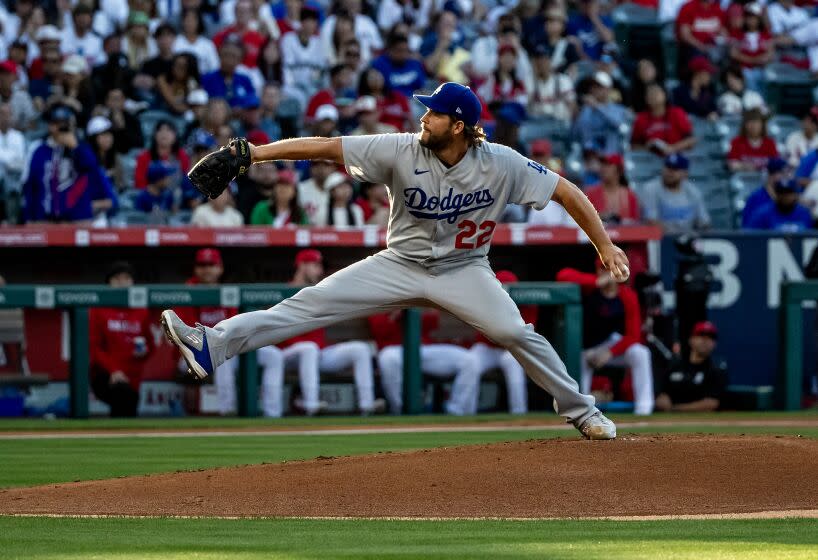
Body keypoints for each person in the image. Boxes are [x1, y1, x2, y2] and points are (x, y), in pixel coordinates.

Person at [162, 81, 630, 439]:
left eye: (435, 113)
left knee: (515, 333)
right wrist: (255, 156)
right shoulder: (401, 148)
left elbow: (566, 192)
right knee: (307, 304)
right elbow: (327, 147)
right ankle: (213, 345)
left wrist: (603, 244)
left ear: (460, 125)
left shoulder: (501, 162)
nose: (424, 117)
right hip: (400, 263)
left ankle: (583, 411)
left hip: (463, 269)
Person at [260, 249, 381, 415]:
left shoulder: (320, 293)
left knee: (360, 349)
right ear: (302, 265)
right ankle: (311, 404)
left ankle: (367, 405)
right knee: (308, 348)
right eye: (315, 265)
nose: (320, 271)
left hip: (318, 353)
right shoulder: (283, 292)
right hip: (289, 354)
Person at [557, 261, 654, 416]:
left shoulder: (627, 295)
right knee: (580, 364)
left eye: (611, 268)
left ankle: (644, 409)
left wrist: (610, 352)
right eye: (604, 268)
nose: (608, 273)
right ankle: (582, 411)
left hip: (611, 347)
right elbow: (562, 275)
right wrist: (595, 281)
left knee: (641, 352)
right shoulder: (589, 289)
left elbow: (633, 336)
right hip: (586, 349)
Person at [370, 308, 480, 415]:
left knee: (470, 360)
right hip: (396, 350)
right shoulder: (380, 300)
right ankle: (399, 409)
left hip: (424, 348)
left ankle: (457, 412)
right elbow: (380, 329)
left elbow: (432, 321)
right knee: (387, 357)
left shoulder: (415, 296)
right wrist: (396, 312)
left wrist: (417, 309)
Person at [175, 248, 240, 415]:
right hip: (191, 352)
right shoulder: (187, 292)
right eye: (203, 265)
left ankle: (272, 414)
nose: (207, 269)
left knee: (271, 356)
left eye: (211, 265)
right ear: (196, 269)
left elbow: (235, 327)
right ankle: (227, 411)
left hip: (224, 347)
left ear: (220, 268)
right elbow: (186, 333)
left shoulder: (227, 292)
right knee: (222, 357)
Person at [20, 105, 107, 224]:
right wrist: (29, 217)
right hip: (46, 218)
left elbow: (93, 172)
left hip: (77, 218)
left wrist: (75, 148)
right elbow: (31, 185)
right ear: (50, 126)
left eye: (65, 124)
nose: (61, 128)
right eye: (57, 124)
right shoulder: (40, 151)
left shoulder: (82, 148)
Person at [89, 262, 152, 417]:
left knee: (128, 404)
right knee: (122, 394)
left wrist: (144, 351)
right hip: (104, 374)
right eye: (117, 278)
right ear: (108, 283)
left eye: (126, 278)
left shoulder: (141, 311)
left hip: (132, 375)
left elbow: (149, 344)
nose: (122, 282)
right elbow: (94, 347)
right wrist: (113, 370)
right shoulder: (99, 310)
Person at [469, 270, 534, 415]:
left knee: (511, 361)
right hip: (488, 347)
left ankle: (519, 413)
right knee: (470, 361)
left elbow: (524, 335)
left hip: (513, 348)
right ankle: (462, 413)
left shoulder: (528, 303)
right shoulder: (486, 298)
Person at [654, 321, 727, 412]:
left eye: (710, 337)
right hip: (668, 421)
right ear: (691, 339)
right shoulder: (674, 365)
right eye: (701, 335)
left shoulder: (716, 368)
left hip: (703, 421)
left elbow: (711, 403)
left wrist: (674, 409)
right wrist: (662, 398)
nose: (705, 340)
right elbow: (661, 393)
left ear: (714, 344)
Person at [641, 154, 711, 233]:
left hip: (688, 240)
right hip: (659, 240)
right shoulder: (651, 189)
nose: (669, 172)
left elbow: (704, 223)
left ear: (685, 173)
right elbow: (651, 221)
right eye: (668, 167)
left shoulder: (693, 192)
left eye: (675, 169)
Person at [631, 83, 696, 157]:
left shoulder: (676, 113)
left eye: (656, 93)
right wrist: (646, 147)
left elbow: (691, 139)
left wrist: (672, 148)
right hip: (650, 160)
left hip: (678, 157)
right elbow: (634, 145)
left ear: (665, 95)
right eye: (649, 94)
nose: (652, 96)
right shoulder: (641, 118)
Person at [574, 71, 628, 155]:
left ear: (608, 89)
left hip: (610, 157)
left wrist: (597, 107)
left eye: (599, 87)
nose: (594, 90)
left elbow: (618, 124)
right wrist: (582, 111)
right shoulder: (587, 109)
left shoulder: (618, 109)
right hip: (590, 157)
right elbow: (578, 133)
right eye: (593, 87)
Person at [584, 154, 641, 225]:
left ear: (619, 169)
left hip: (625, 235)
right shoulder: (590, 193)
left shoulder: (629, 196)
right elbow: (584, 219)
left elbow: (635, 224)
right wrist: (600, 216)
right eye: (602, 164)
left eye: (608, 164)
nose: (603, 168)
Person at [370, 33, 426, 100]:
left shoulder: (415, 64)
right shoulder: (379, 65)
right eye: (400, 50)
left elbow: (422, 88)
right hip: (391, 103)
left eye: (406, 50)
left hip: (415, 102)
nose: (404, 54)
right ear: (390, 50)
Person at [745, 178, 814, 231]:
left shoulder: (804, 213)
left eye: (789, 193)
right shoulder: (762, 213)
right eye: (782, 193)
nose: (785, 197)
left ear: (795, 194)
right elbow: (750, 237)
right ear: (777, 194)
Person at [741, 157, 790, 227]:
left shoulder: (791, 196)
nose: (788, 176)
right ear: (773, 175)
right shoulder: (755, 199)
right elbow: (748, 227)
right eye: (784, 173)